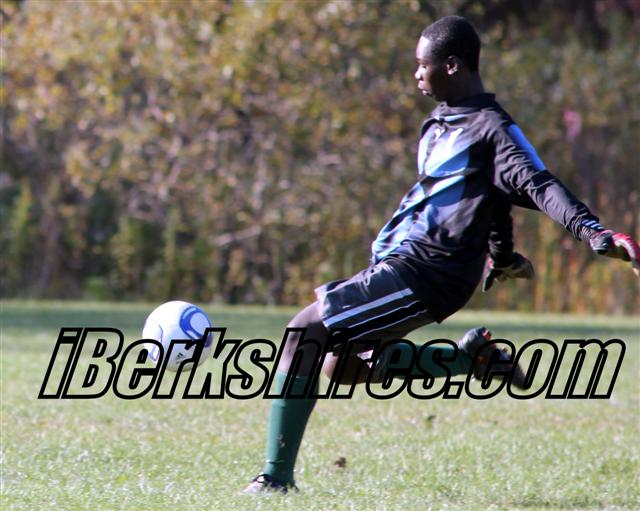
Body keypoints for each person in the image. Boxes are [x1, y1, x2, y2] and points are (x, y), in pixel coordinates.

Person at [244, 15, 640, 494]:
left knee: (304, 332)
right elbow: (490, 199)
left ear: (451, 65)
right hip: (404, 264)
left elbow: (539, 183)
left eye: (422, 64)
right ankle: (471, 361)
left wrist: (594, 232)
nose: (416, 74)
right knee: (340, 365)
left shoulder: (494, 129)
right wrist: (503, 254)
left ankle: (275, 479)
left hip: (428, 271)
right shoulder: (438, 124)